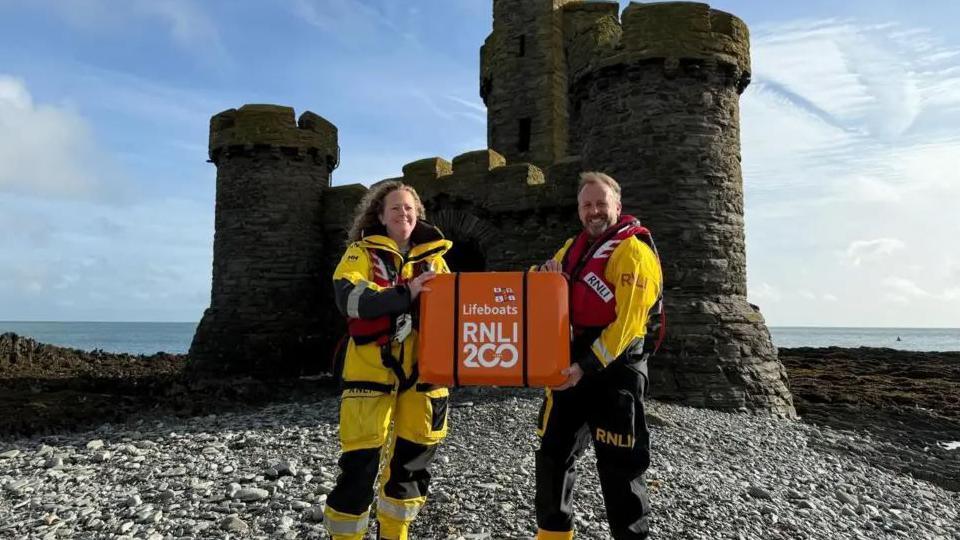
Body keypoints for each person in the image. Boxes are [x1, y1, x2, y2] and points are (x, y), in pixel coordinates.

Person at [534, 172, 664, 539]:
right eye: (587, 205)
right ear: (579, 211)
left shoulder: (633, 252)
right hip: (572, 368)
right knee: (553, 455)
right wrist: (545, 276)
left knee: (620, 469)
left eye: (601, 204)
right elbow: (536, 282)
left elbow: (627, 326)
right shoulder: (571, 249)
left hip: (616, 372)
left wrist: (585, 366)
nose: (594, 211)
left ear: (617, 207)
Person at [324, 181, 453, 540]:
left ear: (419, 215)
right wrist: (405, 293)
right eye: (395, 208)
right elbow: (350, 298)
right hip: (370, 377)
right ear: (379, 215)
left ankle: (395, 535)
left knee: (410, 470)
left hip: (424, 378)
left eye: (410, 208)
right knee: (359, 470)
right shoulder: (359, 254)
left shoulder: (436, 261)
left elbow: (459, 312)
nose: (403, 214)